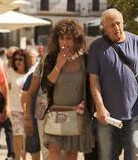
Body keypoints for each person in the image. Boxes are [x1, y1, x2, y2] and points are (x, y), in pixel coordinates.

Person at [88, 9, 138, 160]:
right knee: (107, 156)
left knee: (134, 156)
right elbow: (93, 81)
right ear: (104, 27)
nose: (116, 28)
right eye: (111, 25)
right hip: (106, 117)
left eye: (118, 23)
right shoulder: (96, 47)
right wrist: (100, 107)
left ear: (123, 22)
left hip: (134, 114)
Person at [30, 20, 95, 160]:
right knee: (54, 152)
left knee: (72, 154)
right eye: (61, 38)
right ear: (56, 39)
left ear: (76, 39)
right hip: (55, 113)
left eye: (68, 38)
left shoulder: (85, 59)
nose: (64, 42)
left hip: (77, 115)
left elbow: (91, 87)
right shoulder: (51, 58)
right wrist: (58, 65)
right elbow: (45, 86)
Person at [8, 49, 35, 160]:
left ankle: (25, 155)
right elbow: (6, 90)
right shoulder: (10, 73)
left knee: (28, 135)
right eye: (15, 59)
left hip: (28, 109)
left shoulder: (31, 73)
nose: (17, 61)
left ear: (26, 61)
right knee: (18, 133)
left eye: (20, 59)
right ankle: (17, 157)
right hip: (15, 109)